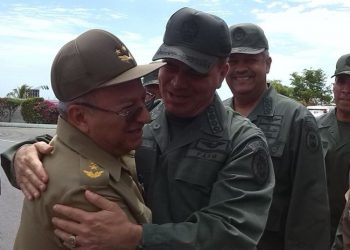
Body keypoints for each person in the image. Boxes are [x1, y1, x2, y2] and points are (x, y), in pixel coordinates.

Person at [1, 8, 275, 249]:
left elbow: (232, 235)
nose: (177, 83)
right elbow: (84, 140)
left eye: (194, 72)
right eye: (171, 67)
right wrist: (23, 152)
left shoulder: (243, 143)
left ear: (221, 73)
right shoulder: (147, 116)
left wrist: (137, 237)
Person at [12, 29, 164, 250]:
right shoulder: (88, 192)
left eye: (145, 100)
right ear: (80, 117)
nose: (146, 116)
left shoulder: (99, 148)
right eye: (128, 109)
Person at [223, 23, 330, 249]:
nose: (240, 68)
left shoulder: (296, 119)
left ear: (267, 64)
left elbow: (309, 207)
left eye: (250, 60)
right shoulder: (214, 116)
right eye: (233, 61)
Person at [318, 53, 350, 248]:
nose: (346, 90)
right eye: (341, 81)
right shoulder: (312, 129)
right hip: (317, 230)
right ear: (334, 86)